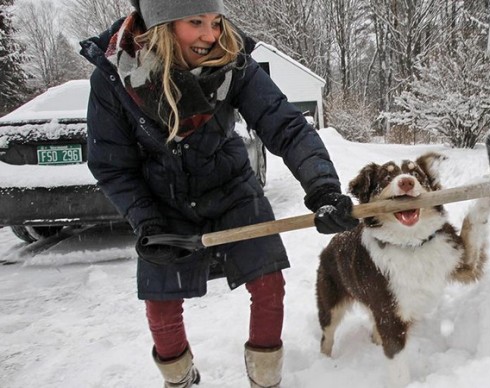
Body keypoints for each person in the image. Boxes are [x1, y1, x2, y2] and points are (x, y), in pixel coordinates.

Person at [79, 1, 359, 387]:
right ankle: (179, 379)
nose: (210, 35)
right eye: (196, 22)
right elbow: (112, 164)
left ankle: (265, 379)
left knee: (267, 284)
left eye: (215, 21)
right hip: (162, 202)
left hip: (231, 188)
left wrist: (323, 187)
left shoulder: (232, 61)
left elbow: (286, 126)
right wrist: (147, 222)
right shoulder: (114, 78)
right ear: (161, 24)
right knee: (161, 304)